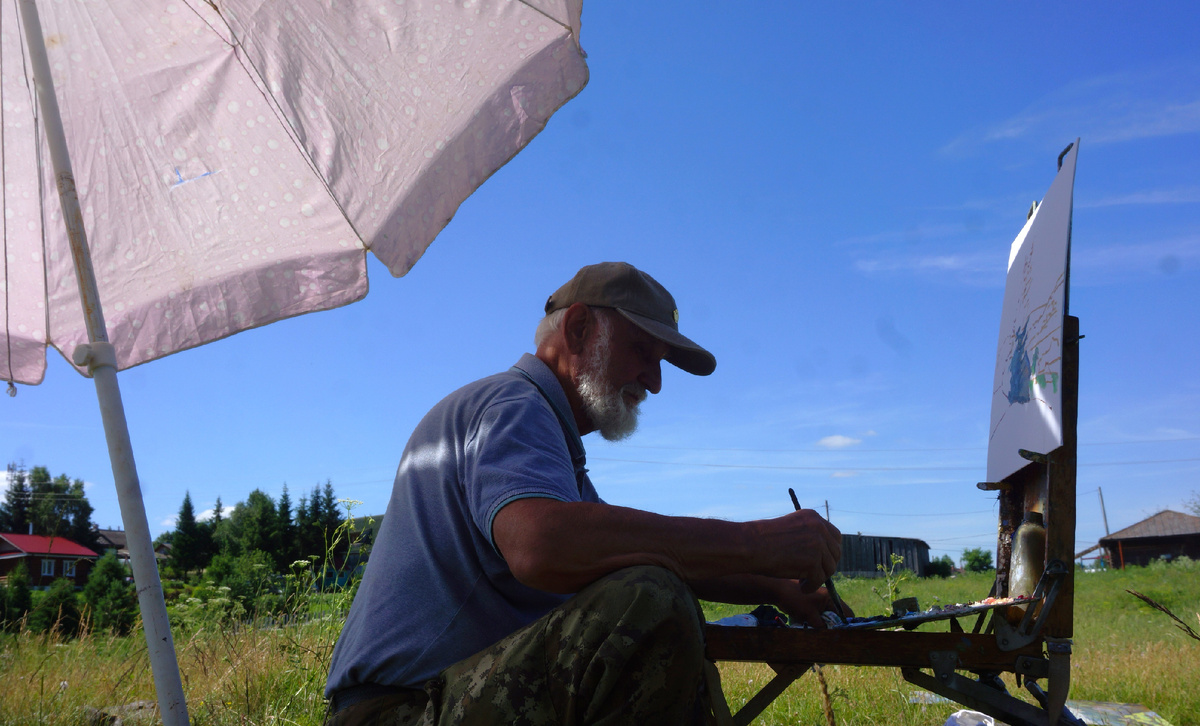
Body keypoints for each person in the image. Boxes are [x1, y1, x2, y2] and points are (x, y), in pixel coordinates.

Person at [325, 262, 844, 725]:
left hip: (429, 700)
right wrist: (759, 542)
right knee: (650, 599)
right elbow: (541, 546)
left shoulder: (545, 444)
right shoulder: (513, 405)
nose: (656, 382)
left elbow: (628, 550)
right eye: (643, 351)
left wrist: (775, 587)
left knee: (651, 583)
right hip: (398, 711)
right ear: (577, 329)